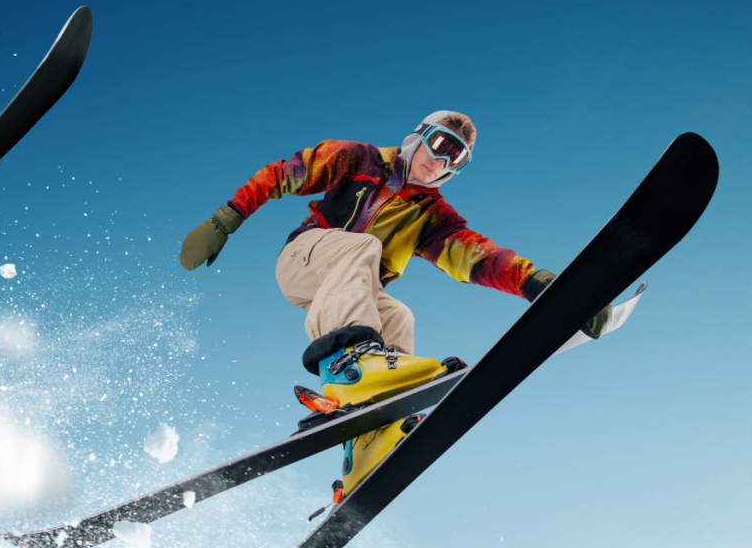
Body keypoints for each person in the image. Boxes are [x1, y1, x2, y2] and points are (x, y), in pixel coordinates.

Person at [180, 111, 609, 506]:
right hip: (304, 258)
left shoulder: (432, 216)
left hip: (346, 291)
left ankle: (372, 438)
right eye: (440, 145)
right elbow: (282, 174)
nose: (441, 161)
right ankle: (352, 368)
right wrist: (225, 220)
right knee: (364, 247)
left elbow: (479, 258)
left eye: (456, 158)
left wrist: (543, 286)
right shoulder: (359, 159)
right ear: (418, 137)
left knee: (398, 316)